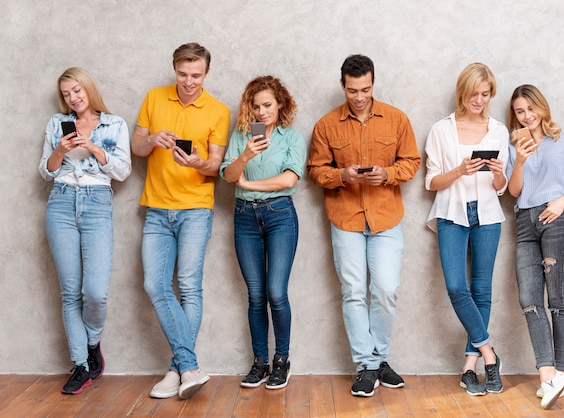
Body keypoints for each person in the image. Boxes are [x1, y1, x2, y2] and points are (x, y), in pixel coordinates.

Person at [307, 54, 421, 397]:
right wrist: (341, 175)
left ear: (373, 84)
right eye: (353, 90)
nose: (359, 96)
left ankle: (380, 358)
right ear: (342, 85)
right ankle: (367, 366)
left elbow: (412, 162)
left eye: (366, 89)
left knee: (385, 290)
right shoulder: (326, 125)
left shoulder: (397, 119)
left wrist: (387, 173)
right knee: (354, 292)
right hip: (346, 218)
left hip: (386, 217)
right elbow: (315, 170)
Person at [131, 42, 230, 400]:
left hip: (195, 208)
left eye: (196, 75)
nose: (189, 82)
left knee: (188, 286)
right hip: (157, 208)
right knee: (155, 285)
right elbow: (136, 147)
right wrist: (152, 139)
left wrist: (197, 163)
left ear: (207, 73)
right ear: (174, 69)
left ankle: (176, 369)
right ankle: (189, 367)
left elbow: (216, 167)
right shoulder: (154, 98)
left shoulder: (218, 110)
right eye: (183, 74)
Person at [39, 67, 132, 394]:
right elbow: (46, 171)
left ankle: (93, 343)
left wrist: (93, 146)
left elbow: (122, 171)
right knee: (70, 291)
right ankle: (79, 364)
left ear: (89, 89)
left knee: (94, 292)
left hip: (97, 202)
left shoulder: (114, 124)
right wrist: (61, 150)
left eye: (77, 90)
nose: (73, 98)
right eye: (66, 94)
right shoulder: (56, 124)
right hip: (61, 202)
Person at [424, 63, 508, 396]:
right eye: (474, 93)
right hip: (451, 214)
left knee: (482, 290)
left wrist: (499, 172)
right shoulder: (441, 130)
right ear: (463, 92)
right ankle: (489, 352)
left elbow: (500, 188)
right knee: (457, 287)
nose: (480, 100)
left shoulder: (498, 130)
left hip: (487, 215)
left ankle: (469, 368)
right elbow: (431, 181)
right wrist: (460, 170)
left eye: (486, 94)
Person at [506, 84, 564, 410]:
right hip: (525, 224)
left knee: (557, 300)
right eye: (519, 111)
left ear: (542, 107)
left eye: (531, 108)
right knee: (529, 299)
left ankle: (563, 375)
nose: (527, 116)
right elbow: (514, 191)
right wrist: (519, 160)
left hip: (557, 219)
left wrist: (561, 203)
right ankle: (548, 377)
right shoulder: (515, 145)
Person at [220, 76, 306, 390]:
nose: (261, 112)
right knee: (255, 296)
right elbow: (229, 175)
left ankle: (281, 360)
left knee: (276, 292)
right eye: (256, 107)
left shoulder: (293, 138)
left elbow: (288, 180)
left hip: (280, 215)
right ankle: (260, 362)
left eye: (267, 105)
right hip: (245, 218)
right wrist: (245, 156)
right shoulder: (242, 136)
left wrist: (249, 184)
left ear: (280, 103)